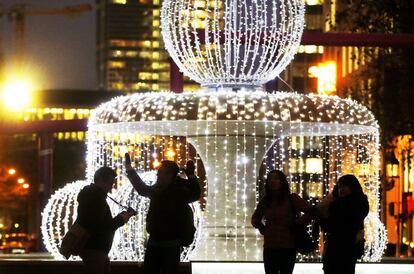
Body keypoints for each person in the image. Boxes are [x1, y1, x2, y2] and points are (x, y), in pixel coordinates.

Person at [124, 153, 201, 274]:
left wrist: (191, 176)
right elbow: (142, 188)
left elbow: (195, 194)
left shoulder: (178, 192)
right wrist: (129, 169)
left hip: (171, 242)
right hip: (155, 240)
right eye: (158, 172)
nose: (157, 175)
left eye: (161, 172)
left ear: (170, 175)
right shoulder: (157, 189)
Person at [77, 166, 134, 274]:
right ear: (100, 180)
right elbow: (100, 227)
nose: (111, 186)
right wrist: (121, 219)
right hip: (95, 249)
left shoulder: (93, 196)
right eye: (110, 182)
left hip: (94, 249)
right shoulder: (95, 199)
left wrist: (120, 218)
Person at [251, 170, 311, 274]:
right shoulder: (265, 201)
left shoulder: (292, 198)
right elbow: (255, 218)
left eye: (276, 178)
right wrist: (262, 228)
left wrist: (299, 222)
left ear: (282, 181)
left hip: (288, 245)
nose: (273, 181)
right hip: (270, 246)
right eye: (270, 179)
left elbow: (312, 211)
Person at [320, 174, 369, 274]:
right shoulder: (335, 203)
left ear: (352, 187)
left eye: (344, 186)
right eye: (339, 186)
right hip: (335, 247)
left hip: (347, 247)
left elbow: (347, 222)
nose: (341, 189)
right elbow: (327, 223)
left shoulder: (358, 202)